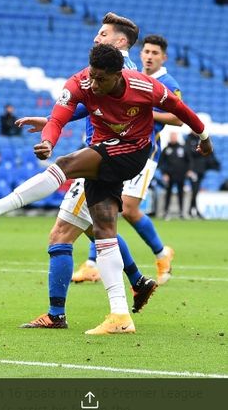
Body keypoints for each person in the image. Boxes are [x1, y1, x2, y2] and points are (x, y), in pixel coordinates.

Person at [0, 44, 212, 335]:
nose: (94, 84)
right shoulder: (80, 82)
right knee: (104, 231)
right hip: (104, 149)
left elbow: (180, 109)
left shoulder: (144, 85)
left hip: (134, 153)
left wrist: (205, 137)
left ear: (118, 74)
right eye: (92, 76)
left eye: (101, 79)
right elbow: (58, 117)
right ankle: (121, 316)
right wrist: (48, 139)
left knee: (66, 165)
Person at [71, 34, 182, 285]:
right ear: (140, 54)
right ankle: (92, 264)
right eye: (147, 52)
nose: (150, 56)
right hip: (115, 148)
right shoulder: (127, 76)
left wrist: (147, 113)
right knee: (105, 203)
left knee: (128, 209)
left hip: (144, 150)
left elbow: (177, 117)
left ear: (163, 57)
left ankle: (161, 253)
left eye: (155, 53)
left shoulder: (167, 82)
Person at [185, 133, 219, 218]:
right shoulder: (189, 139)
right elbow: (189, 153)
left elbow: (209, 151)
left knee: (196, 191)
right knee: (194, 190)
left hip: (201, 170)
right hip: (193, 170)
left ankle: (192, 210)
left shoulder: (202, 139)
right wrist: (190, 169)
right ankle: (192, 210)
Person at [159, 132, 189, 219]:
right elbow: (161, 163)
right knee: (168, 194)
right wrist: (164, 174)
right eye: (172, 136)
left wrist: (188, 171)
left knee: (181, 193)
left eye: (174, 136)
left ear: (177, 137)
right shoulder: (166, 149)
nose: (173, 138)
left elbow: (189, 161)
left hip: (180, 175)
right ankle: (166, 212)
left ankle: (182, 212)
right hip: (169, 176)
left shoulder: (182, 148)